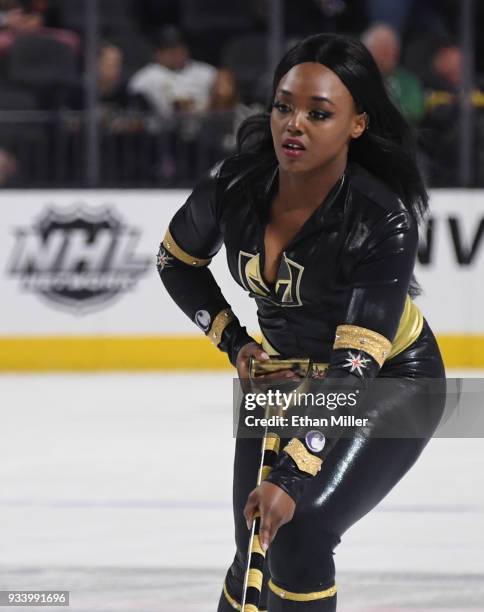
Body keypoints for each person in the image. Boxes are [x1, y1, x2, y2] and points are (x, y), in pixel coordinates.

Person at [157, 33, 446, 611]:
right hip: (283, 376)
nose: (294, 125)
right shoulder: (232, 185)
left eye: (319, 114)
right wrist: (235, 342)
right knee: (253, 545)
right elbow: (175, 263)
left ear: (357, 125)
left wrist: (291, 477)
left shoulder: (379, 218)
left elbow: (354, 368)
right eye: (284, 106)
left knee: (300, 530)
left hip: (388, 380)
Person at [128, 25, 216, 119]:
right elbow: (138, 115)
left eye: (179, 47)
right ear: (158, 53)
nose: (176, 53)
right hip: (162, 130)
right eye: (169, 49)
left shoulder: (207, 72)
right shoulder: (143, 79)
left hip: (204, 125)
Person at [362, 23, 424, 125]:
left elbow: (415, 112)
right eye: (381, 48)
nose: (388, 54)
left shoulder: (408, 80)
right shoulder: (359, 78)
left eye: (392, 48)